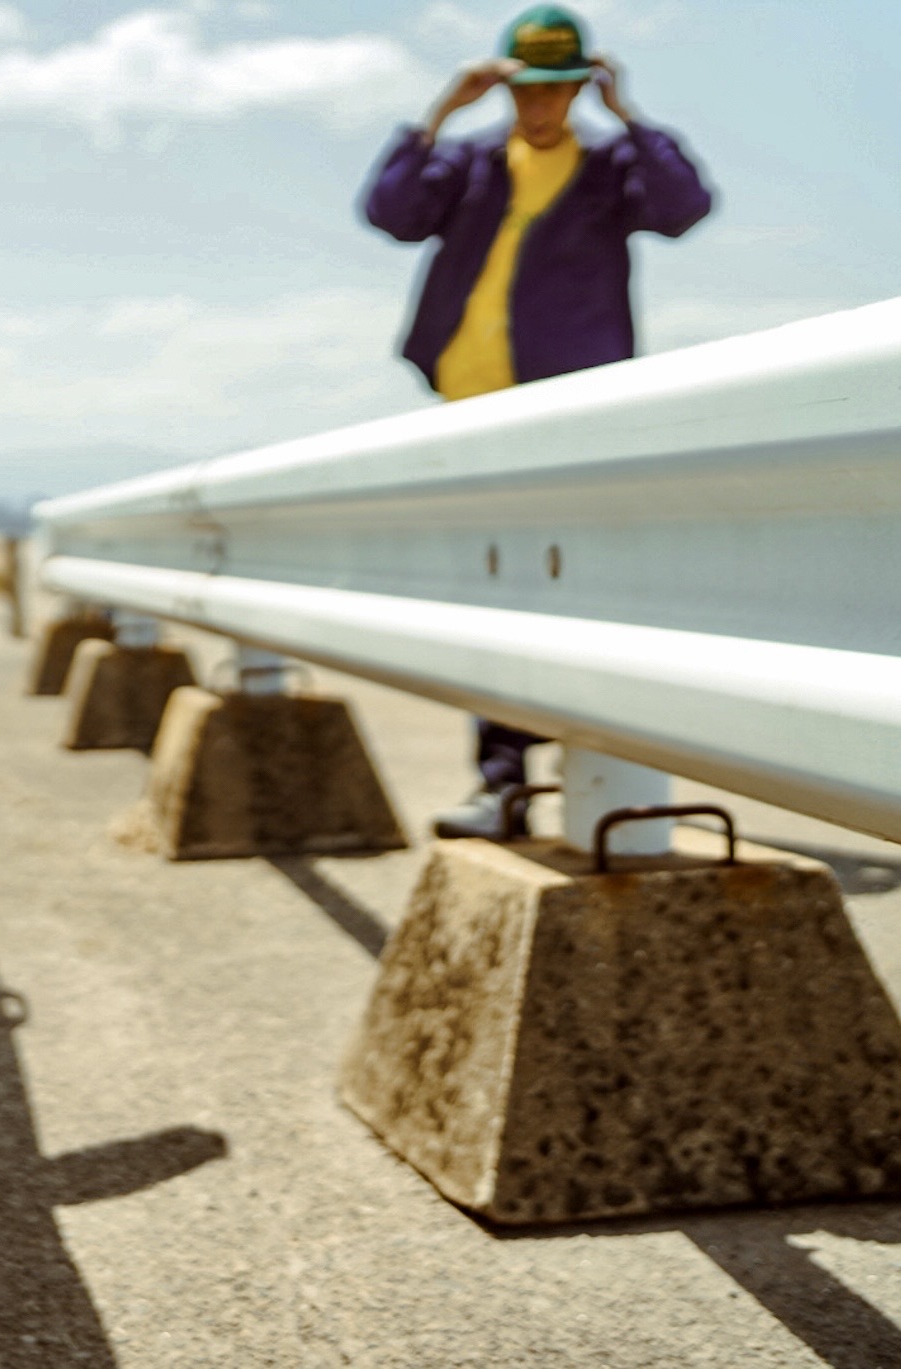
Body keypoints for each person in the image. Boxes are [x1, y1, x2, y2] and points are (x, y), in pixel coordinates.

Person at [359, 3, 713, 839]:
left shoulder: (611, 164)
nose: (541, 107)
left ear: (581, 85)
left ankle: (601, 768)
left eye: (559, 88)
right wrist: (437, 115)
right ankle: (504, 783)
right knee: (494, 587)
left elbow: (683, 209)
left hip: (570, 410)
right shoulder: (472, 160)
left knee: (580, 585)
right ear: (505, 86)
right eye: (527, 90)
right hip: (473, 408)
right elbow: (390, 214)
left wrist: (631, 117)